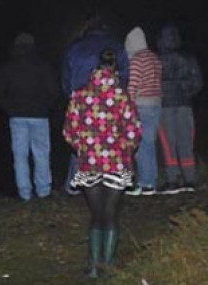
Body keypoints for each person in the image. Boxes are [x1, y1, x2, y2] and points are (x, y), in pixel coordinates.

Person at [62, 49, 141, 279]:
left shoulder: (79, 96)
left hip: (89, 164)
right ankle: (109, 265)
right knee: (111, 215)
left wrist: (83, 146)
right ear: (115, 70)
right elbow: (134, 132)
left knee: (96, 215)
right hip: (116, 163)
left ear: (94, 70)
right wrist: (124, 147)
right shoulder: (122, 97)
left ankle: (95, 266)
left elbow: (69, 131)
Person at [61, 14, 130, 195]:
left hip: (80, 100)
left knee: (82, 139)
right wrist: (119, 94)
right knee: (109, 139)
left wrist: (70, 94)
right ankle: (109, 181)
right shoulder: (115, 45)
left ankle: (76, 184)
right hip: (110, 99)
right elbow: (124, 73)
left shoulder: (75, 47)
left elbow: (66, 75)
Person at [0, 33, 58, 201]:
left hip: (17, 116)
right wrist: (46, 106)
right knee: (41, 153)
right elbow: (54, 91)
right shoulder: (43, 66)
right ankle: (43, 190)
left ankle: (24, 192)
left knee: (20, 155)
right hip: (40, 116)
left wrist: (9, 107)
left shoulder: (8, 67)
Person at [156, 23, 203, 194]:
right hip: (185, 105)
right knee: (186, 142)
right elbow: (198, 83)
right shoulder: (189, 58)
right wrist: (186, 92)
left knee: (168, 144)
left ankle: (172, 181)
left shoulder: (158, 60)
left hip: (165, 106)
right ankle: (190, 180)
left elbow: (153, 84)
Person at [123, 27, 163, 196]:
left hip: (142, 105)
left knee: (141, 145)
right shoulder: (155, 58)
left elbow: (132, 86)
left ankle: (146, 183)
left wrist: (127, 106)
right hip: (156, 104)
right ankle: (150, 181)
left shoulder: (137, 60)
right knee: (149, 143)